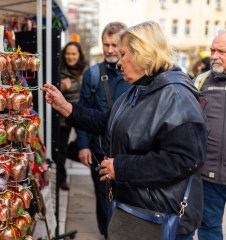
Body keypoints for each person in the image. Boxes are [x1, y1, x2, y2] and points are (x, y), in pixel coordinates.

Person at [41, 21, 209, 240]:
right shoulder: (139, 90)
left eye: (123, 54)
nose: (118, 62)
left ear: (142, 54)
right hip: (138, 213)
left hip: (163, 219)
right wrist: (66, 108)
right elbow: (107, 122)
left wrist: (122, 168)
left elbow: (184, 160)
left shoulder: (176, 96)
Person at [76, 21, 129, 239]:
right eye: (105, 44)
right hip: (99, 151)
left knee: (126, 198)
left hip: (128, 153)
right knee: (102, 198)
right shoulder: (92, 74)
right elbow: (82, 111)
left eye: (114, 45)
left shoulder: (135, 74)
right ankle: (107, 235)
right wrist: (82, 146)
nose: (109, 49)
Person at [185, 30, 226, 240]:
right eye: (213, 50)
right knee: (209, 229)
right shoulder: (200, 83)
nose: (214, 56)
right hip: (210, 175)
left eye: (222, 52)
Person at [59, 41, 88, 190]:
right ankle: (62, 179)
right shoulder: (60, 70)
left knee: (87, 144)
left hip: (83, 115)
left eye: (74, 54)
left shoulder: (85, 71)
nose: (70, 57)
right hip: (64, 118)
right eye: (68, 53)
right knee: (62, 149)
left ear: (79, 55)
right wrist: (61, 87)